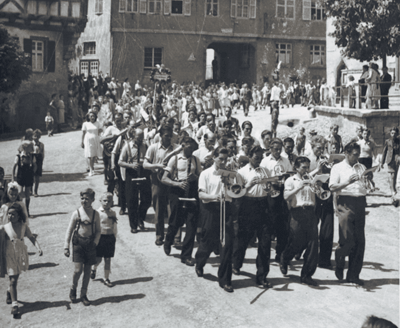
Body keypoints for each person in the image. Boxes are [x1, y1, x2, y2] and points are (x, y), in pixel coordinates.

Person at [195, 147, 243, 293]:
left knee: (227, 244)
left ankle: (225, 280)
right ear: (214, 157)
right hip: (211, 209)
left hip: (226, 208)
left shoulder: (230, 174)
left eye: (225, 159)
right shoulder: (206, 173)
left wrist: (228, 183)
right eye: (220, 159)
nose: (223, 162)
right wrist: (215, 197)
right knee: (208, 242)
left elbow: (237, 192)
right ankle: (200, 261)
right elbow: (202, 195)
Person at [233, 145, 273, 288]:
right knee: (242, 240)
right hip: (247, 206)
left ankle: (262, 276)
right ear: (249, 157)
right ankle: (236, 264)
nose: (259, 161)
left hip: (263, 206)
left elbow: (269, 189)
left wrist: (268, 189)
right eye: (256, 158)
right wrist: (249, 185)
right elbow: (237, 193)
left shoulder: (266, 171)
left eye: (261, 158)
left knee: (265, 243)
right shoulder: (241, 172)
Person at [329, 142, 367, 285]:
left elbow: (366, 187)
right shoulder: (337, 167)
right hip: (345, 202)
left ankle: (353, 276)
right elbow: (332, 187)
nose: (357, 158)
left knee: (359, 241)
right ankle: (339, 259)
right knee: (347, 239)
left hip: (360, 203)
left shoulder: (361, 167)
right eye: (355, 155)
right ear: (347, 153)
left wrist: (368, 181)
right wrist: (347, 182)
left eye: (358, 154)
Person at [161, 137, 201, 265]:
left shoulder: (196, 160)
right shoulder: (175, 159)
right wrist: (176, 184)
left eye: (192, 148)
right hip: (177, 191)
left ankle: (186, 255)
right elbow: (164, 178)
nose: (191, 151)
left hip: (192, 191)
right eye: (188, 148)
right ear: (183, 146)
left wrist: (196, 177)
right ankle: (168, 241)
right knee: (175, 221)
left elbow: (201, 176)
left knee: (191, 224)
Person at [280, 156, 319, 286]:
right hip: (297, 212)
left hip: (310, 212)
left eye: (308, 167)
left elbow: (318, 195)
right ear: (296, 168)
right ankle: (285, 258)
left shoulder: (311, 179)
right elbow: (285, 196)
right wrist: (298, 188)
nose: (306, 170)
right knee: (297, 242)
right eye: (304, 167)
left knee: (313, 244)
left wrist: (317, 187)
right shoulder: (291, 180)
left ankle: (307, 275)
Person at [1, 203, 42, 316]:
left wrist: (38, 248)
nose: (10, 216)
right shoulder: (5, 228)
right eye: (9, 214)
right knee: (13, 280)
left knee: (15, 278)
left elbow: (31, 237)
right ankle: (15, 305)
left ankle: (10, 291)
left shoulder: (24, 226)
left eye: (13, 214)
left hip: (20, 256)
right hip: (9, 256)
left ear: (19, 216)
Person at [64, 188, 101, 305]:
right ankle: (73, 288)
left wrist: (95, 242)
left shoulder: (96, 214)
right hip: (78, 245)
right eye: (82, 198)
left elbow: (99, 231)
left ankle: (83, 294)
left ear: (93, 200)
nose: (84, 201)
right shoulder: (77, 213)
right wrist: (66, 246)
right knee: (78, 270)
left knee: (87, 271)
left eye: (87, 199)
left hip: (90, 245)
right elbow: (69, 230)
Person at [143, 125, 179, 245]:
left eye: (170, 136)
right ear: (160, 136)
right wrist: (157, 166)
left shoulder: (176, 148)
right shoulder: (153, 148)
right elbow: (145, 164)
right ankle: (159, 235)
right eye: (166, 136)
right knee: (159, 209)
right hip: (157, 181)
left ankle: (173, 236)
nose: (168, 138)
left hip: (171, 181)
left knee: (173, 209)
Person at [260, 139, 291, 261]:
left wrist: (285, 178)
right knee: (269, 224)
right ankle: (265, 255)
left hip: (282, 192)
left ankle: (280, 254)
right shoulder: (265, 161)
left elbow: (290, 174)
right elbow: (262, 178)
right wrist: (272, 182)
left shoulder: (285, 160)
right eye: (275, 149)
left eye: (280, 149)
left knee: (282, 225)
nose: (278, 152)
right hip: (270, 193)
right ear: (270, 149)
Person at [119, 127, 151, 233]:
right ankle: (133, 225)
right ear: (133, 136)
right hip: (131, 173)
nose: (141, 139)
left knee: (146, 198)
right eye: (138, 137)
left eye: (142, 137)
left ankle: (140, 218)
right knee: (132, 200)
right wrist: (130, 165)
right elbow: (120, 162)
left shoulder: (145, 145)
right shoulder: (127, 146)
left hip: (143, 172)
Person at [90, 192, 117, 287]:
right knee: (98, 259)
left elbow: (114, 226)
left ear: (112, 202)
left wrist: (114, 237)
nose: (106, 203)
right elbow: (94, 227)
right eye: (104, 200)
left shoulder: (113, 213)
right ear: (100, 201)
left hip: (110, 238)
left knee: (108, 259)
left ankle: (106, 278)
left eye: (109, 201)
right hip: (100, 238)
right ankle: (94, 268)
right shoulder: (97, 213)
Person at [381, 127, 400, 205]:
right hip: (390, 161)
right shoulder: (387, 141)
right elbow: (384, 152)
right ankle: (393, 192)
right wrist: (381, 162)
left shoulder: (399, 141)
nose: (393, 135)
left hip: (397, 160)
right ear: (390, 133)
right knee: (392, 176)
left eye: (395, 133)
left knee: (396, 176)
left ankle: (394, 189)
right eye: (392, 133)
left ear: (397, 134)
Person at [81, 111, 103, 176]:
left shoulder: (98, 123)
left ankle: (92, 168)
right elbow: (83, 134)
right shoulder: (85, 124)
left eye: (93, 116)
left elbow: (100, 131)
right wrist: (82, 142)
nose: (92, 117)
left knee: (94, 155)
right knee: (90, 155)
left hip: (96, 140)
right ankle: (91, 170)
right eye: (90, 116)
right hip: (88, 140)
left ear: (95, 117)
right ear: (88, 117)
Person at [32, 129, 45, 197]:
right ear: (32, 136)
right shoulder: (30, 144)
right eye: (35, 136)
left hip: (38, 160)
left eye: (37, 136)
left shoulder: (41, 145)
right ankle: (30, 190)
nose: (36, 138)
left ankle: (35, 191)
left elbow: (42, 154)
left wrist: (41, 163)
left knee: (37, 177)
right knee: (31, 176)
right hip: (31, 160)